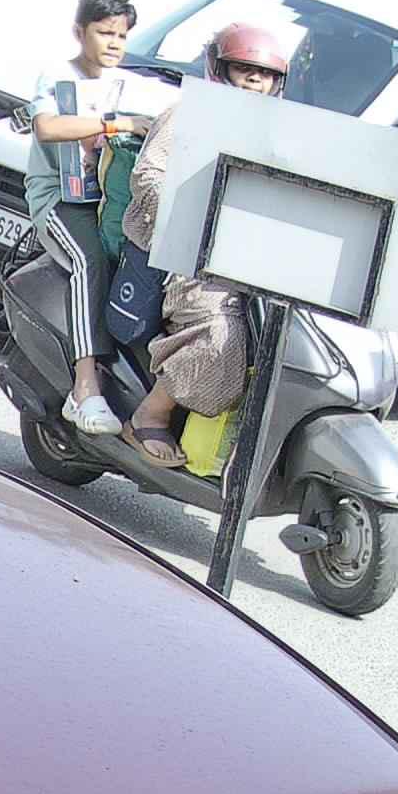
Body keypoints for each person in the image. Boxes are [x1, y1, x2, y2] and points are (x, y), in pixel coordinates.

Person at [114, 23, 291, 469]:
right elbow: (148, 177)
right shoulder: (187, 115)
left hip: (247, 257)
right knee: (220, 326)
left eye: (265, 74)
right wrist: (200, 221)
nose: (255, 81)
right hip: (181, 251)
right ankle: (150, 414)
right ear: (218, 70)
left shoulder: (276, 133)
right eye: (244, 70)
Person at [27, 0, 152, 437]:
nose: (114, 43)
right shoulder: (59, 77)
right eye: (104, 33)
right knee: (90, 260)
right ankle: (83, 389)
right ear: (80, 32)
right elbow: (47, 127)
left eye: (121, 35)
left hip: (107, 201)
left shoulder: (124, 84)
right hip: (59, 199)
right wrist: (116, 124)